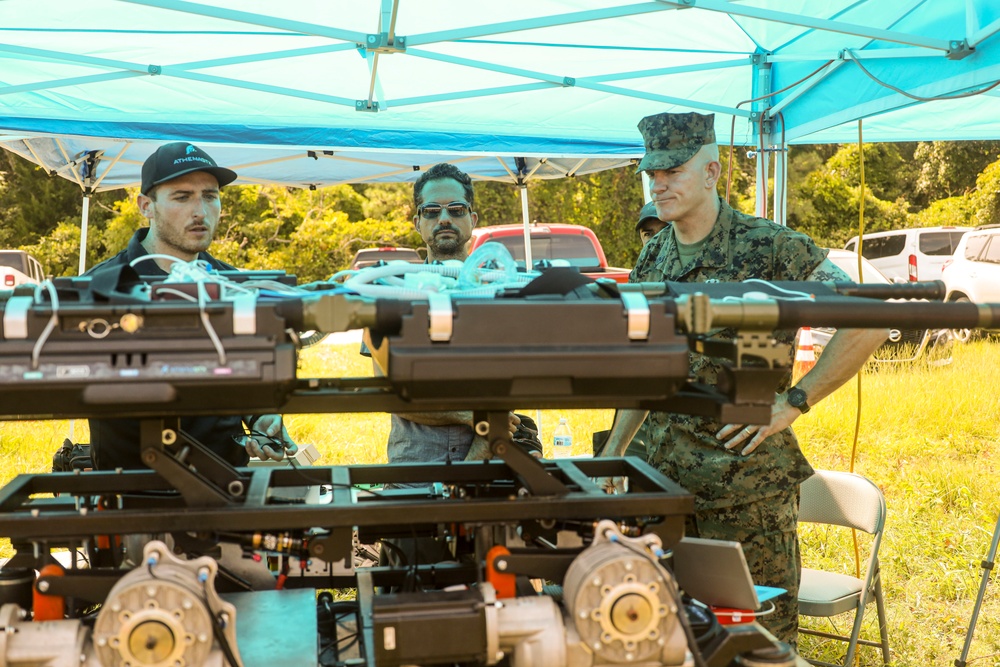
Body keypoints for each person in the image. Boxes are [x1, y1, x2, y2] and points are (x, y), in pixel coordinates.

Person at [597, 112, 887, 646]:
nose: (658, 184)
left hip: (744, 491)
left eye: (673, 171)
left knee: (757, 642)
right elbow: (643, 366)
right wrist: (614, 453)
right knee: (672, 637)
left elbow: (870, 317)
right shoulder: (652, 257)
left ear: (711, 172)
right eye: (651, 173)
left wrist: (795, 401)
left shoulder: (772, 248)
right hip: (665, 488)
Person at [87, 142, 295, 470]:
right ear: (146, 206)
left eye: (210, 196)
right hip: (128, 489)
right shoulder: (101, 286)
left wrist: (260, 415)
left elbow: (249, 372)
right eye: (182, 197)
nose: (199, 211)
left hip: (227, 484)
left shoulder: (236, 285)